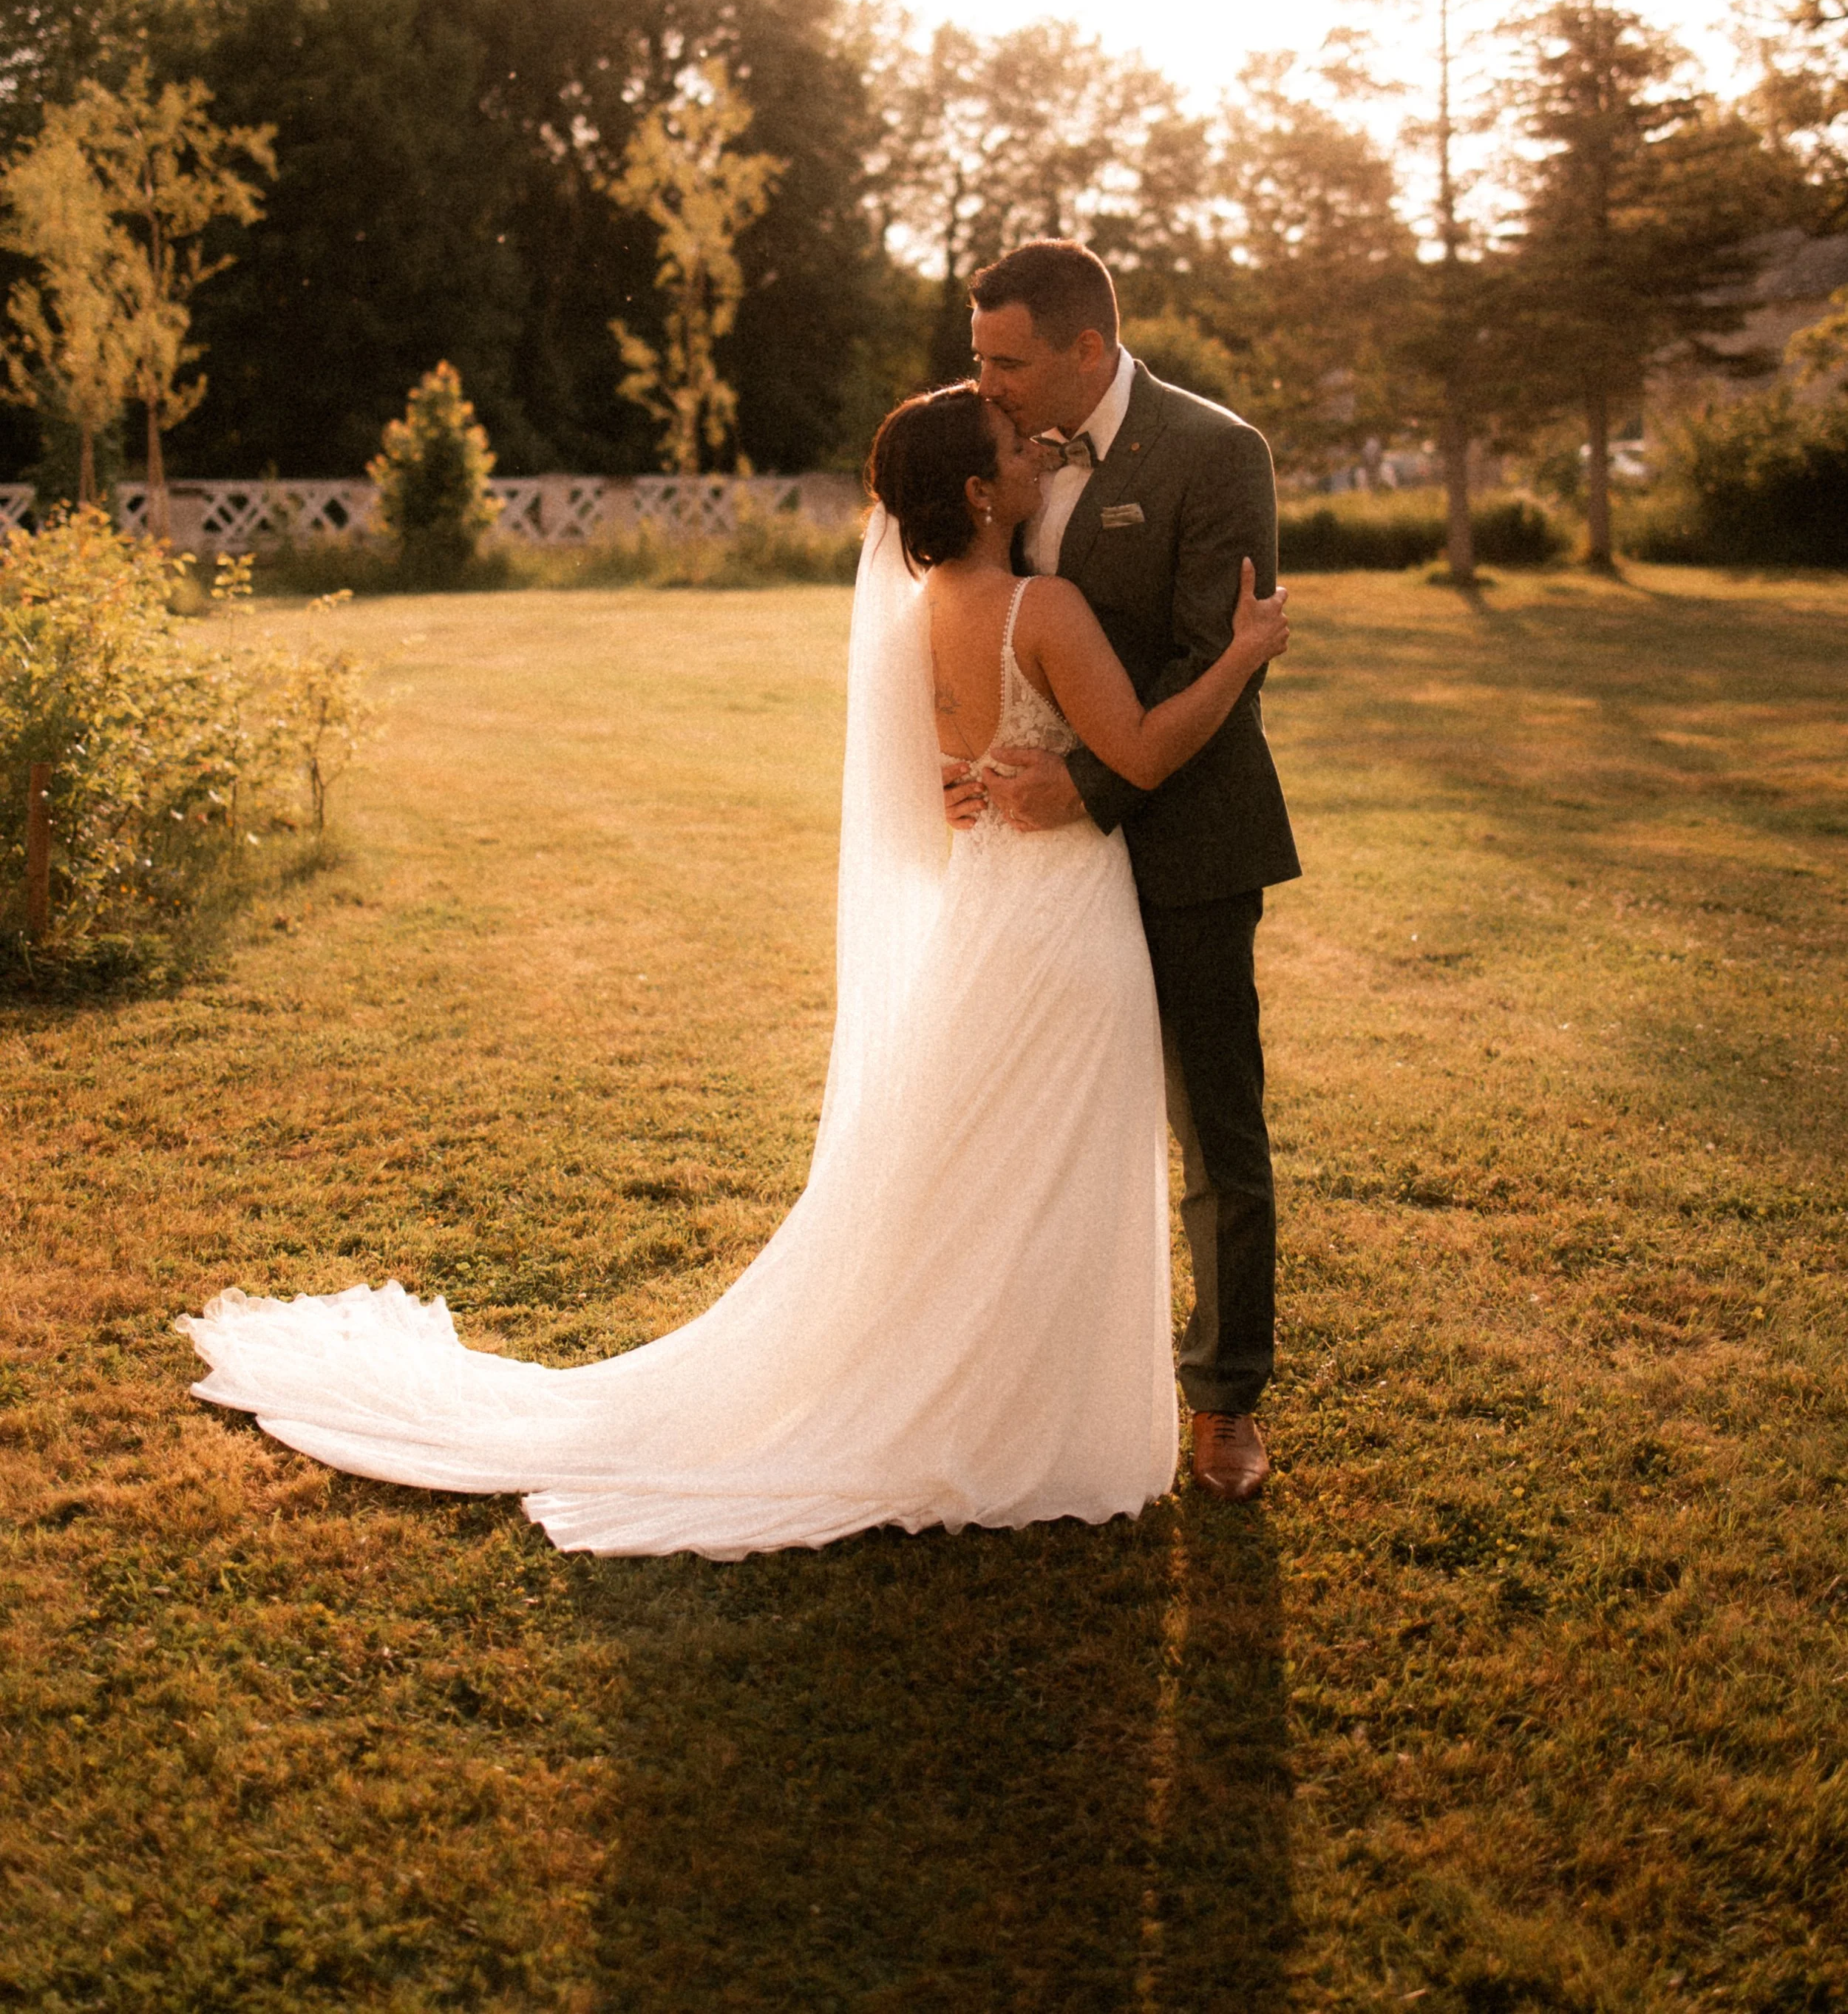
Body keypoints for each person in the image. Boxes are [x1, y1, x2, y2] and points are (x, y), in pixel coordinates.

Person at [177, 387, 1288, 1561]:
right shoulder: (1043, 607)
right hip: (1062, 922)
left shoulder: (922, 613)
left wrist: (969, 780)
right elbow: (1149, 748)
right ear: (977, 490)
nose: (1036, 451)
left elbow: (921, 784)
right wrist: (1241, 656)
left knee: (996, 1173)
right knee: (1056, 1168)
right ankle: (1030, 1415)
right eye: (1016, 449)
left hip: (986, 917)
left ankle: (989, 1394)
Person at [957, 240, 1300, 1503]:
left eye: (1007, 360)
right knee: (1040, 1125)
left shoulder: (1218, 453)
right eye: (977, 357)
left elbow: (1221, 654)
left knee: (1217, 1126)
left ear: (1087, 350)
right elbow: (963, 623)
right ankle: (1032, 1377)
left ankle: (1224, 1402)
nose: (984, 384)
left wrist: (1083, 791)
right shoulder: (997, 455)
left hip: (1190, 841)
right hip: (1041, 880)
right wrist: (968, 768)